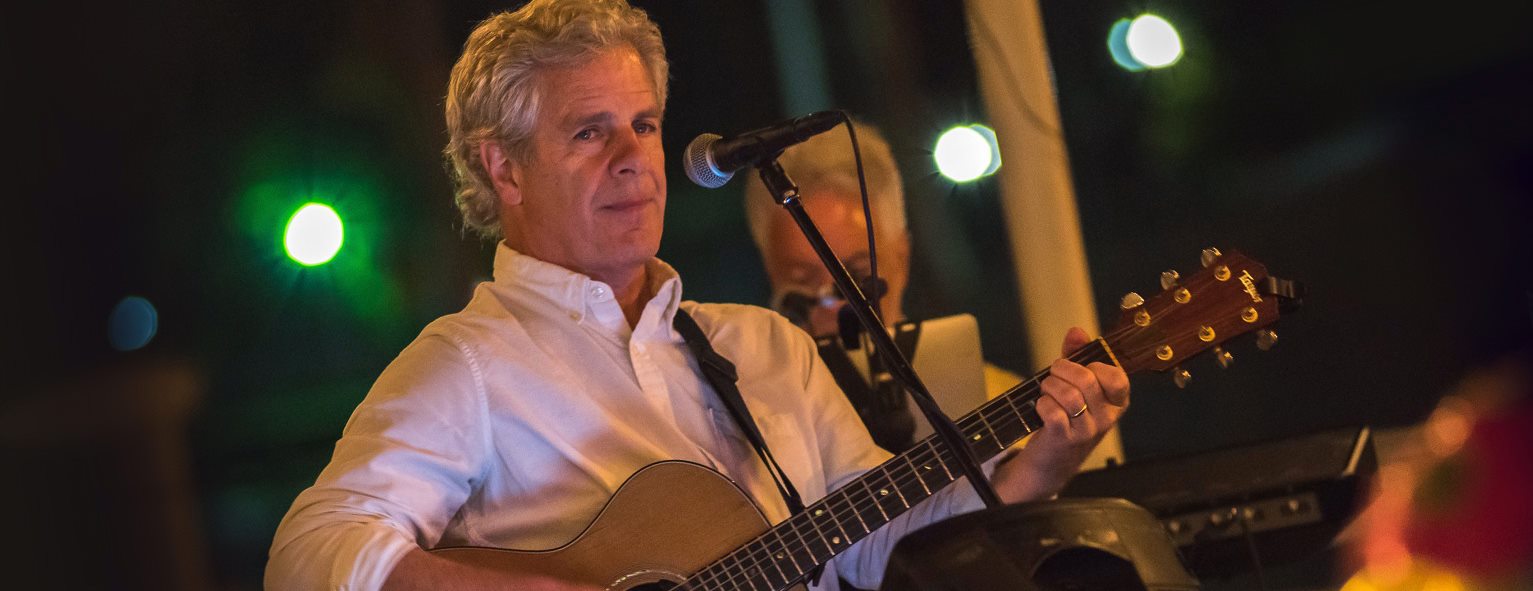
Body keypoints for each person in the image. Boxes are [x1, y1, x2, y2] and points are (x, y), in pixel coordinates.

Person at [266, 2, 1130, 590]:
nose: (633, 158)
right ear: (502, 166)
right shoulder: (469, 366)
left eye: (643, 123)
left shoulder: (763, 348)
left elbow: (880, 547)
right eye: (589, 131)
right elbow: (310, 553)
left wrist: (1040, 462)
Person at [743, 122, 1124, 466]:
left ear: (902, 259)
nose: (831, 309)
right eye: (802, 285)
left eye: (857, 279)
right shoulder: (751, 431)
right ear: (770, 276)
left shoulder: (995, 399)